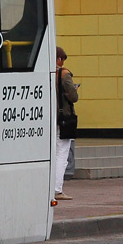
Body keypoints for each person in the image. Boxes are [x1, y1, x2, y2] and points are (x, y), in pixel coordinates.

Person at [54, 46, 79, 201]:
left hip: (49, 117)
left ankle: (50, 187)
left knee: (52, 153)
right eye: (62, 59)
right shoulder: (63, 74)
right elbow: (73, 96)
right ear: (59, 58)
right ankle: (57, 189)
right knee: (62, 154)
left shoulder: (44, 73)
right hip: (63, 119)